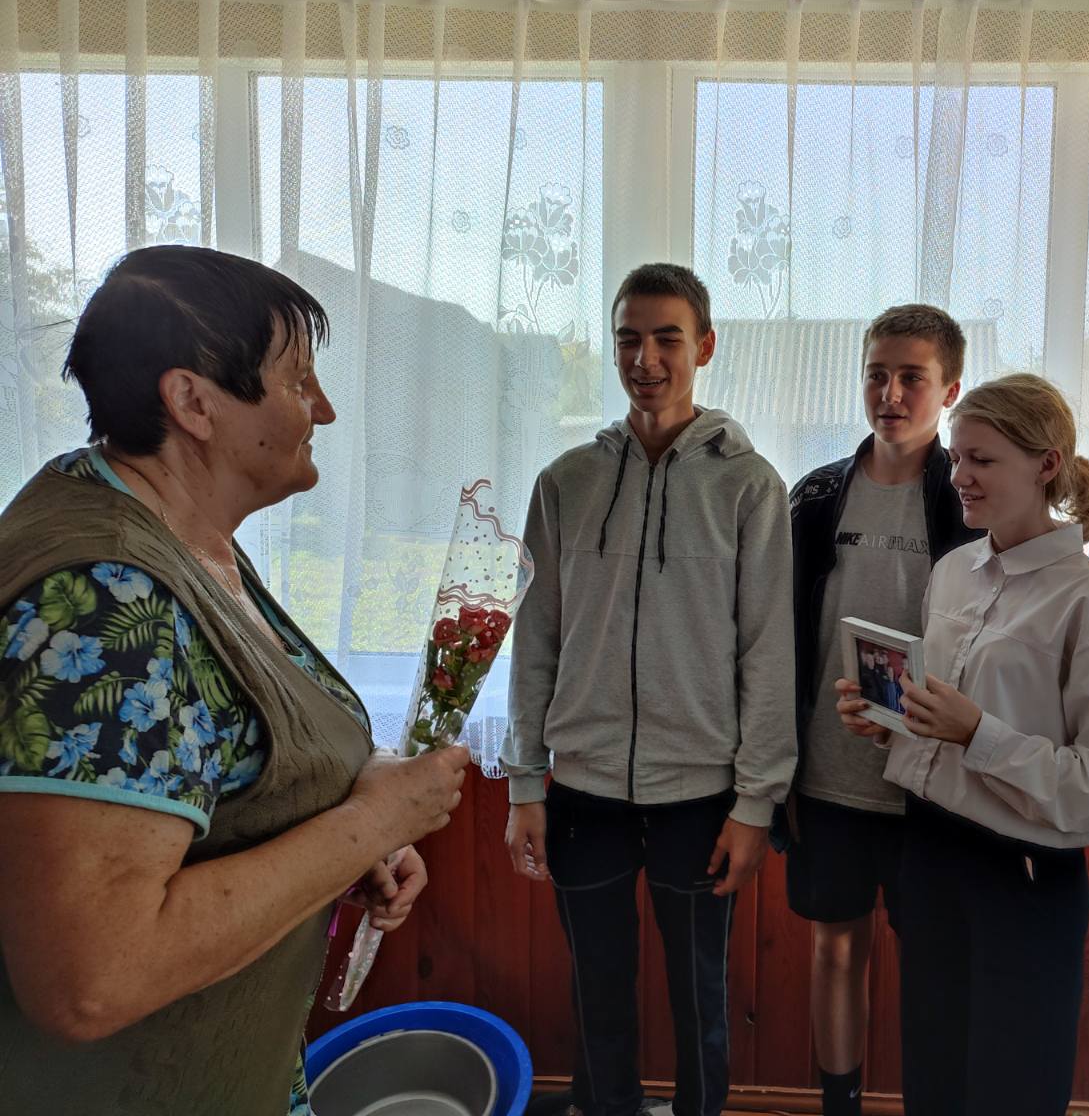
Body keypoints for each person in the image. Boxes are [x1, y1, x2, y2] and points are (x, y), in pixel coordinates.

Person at [0, 246, 468, 1116]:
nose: (323, 408)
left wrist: (358, 812)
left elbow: (229, 753)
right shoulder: (105, 601)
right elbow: (92, 980)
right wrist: (372, 822)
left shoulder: (181, 539)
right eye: (298, 381)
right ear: (193, 402)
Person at [500, 263, 795, 1116]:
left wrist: (756, 803)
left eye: (668, 338)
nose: (647, 358)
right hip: (582, 792)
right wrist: (525, 784)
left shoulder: (749, 487)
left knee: (702, 1001)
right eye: (629, 338)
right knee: (596, 997)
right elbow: (536, 639)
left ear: (705, 347)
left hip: (700, 798)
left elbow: (767, 652)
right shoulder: (565, 482)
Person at [839, 373, 1089, 1116]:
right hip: (930, 855)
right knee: (933, 1086)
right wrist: (888, 719)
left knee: (1011, 1093)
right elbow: (941, 725)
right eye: (956, 458)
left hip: (1024, 879)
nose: (959, 477)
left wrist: (979, 734)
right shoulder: (952, 573)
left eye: (981, 459)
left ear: (1047, 464)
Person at [785, 303, 978, 1116]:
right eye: (877, 375)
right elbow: (778, 633)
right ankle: (841, 1104)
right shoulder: (816, 495)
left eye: (911, 378)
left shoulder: (970, 498)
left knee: (936, 963)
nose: (891, 394)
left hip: (934, 781)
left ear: (950, 389)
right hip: (829, 776)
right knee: (835, 951)